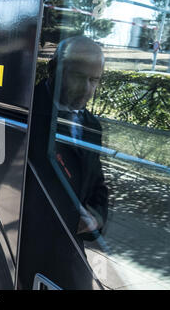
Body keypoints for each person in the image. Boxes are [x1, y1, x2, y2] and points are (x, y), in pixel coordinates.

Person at [35, 36, 109, 241]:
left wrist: (96, 218)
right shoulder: (27, 111)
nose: (87, 90)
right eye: (78, 77)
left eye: (94, 80)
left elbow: (97, 184)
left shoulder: (92, 126)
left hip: (69, 243)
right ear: (55, 70)